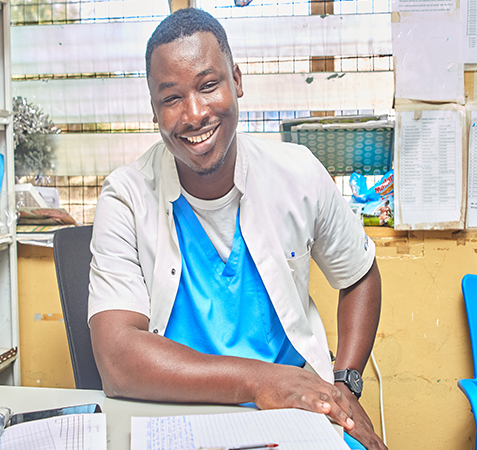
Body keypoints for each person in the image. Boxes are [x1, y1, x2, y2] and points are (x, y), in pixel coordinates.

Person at [88, 8, 386, 450]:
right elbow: (117, 359)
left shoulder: (297, 173)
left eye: (209, 85)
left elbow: (359, 275)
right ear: (154, 111)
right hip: (180, 416)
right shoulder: (126, 197)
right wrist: (260, 382)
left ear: (237, 81)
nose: (194, 114)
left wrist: (344, 382)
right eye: (171, 98)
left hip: (293, 411)